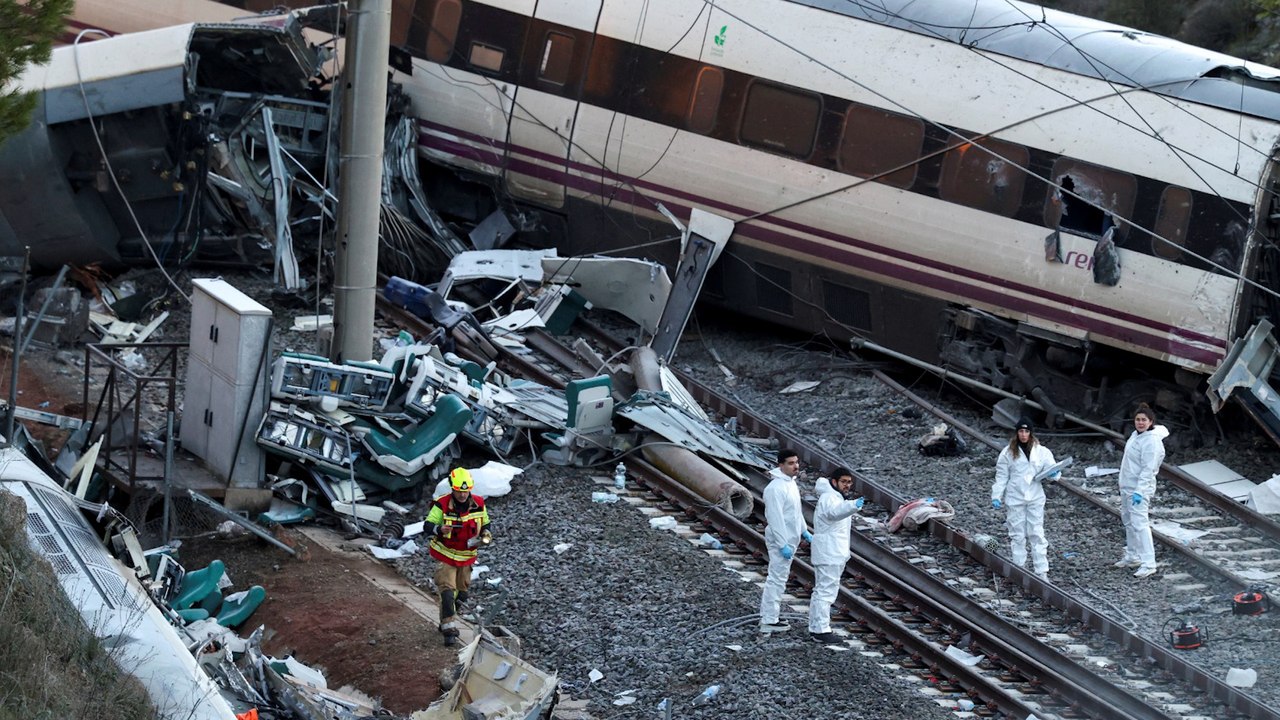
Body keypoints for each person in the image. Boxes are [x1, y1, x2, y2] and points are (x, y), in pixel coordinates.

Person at [426, 467, 492, 645]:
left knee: (461, 595)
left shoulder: (478, 503)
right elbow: (428, 525)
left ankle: (446, 618)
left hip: (466, 557)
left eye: (465, 491)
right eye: (459, 491)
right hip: (446, 555)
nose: (463, 495)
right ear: (452, 488)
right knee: (447, 592)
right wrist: (439, 529)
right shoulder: (442, 504)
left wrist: (486, 534)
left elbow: (486, 523)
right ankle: (449, 630)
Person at [991, 419, 1058, 577]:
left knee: (1036, 533)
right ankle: (1019, 568)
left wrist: (1055, 474)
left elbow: (1053, 469)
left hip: (1035, 496)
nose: (1023, 434)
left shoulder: (1042, 452)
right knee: (1017, 534)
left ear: (1031, 433)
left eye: (1026, 431)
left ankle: (1041, 571)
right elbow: (1001, 476)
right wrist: (996, 495)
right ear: (1016, 433)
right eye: (1021, 431)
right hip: (1015, 497)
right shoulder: (1008, 453)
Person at [808, 467, 864, 643]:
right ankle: (820, 630)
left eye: (849, 482)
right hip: (829, 552)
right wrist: (853, 505)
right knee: (825, 591)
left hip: (832, 552)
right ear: (834, 482)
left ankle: (818, 628)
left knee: (825, 590)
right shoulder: (829, 498)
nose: (847, 485)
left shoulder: (835, 497)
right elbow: (834, 514)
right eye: (844, 482)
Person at [759, 448, 809, 634]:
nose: (796, 466)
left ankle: (771, 616)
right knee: (777, 579)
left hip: (790, 538)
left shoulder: (790, 484)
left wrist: (804, 531)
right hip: (782, 540)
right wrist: (782, 544)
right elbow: (775, 518)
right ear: (780, 465)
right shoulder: (775, 488)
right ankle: (769, 619)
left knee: (780, 578)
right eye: (791, 463)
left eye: (796, 462)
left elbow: (795, 511)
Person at [1115, 403, 1168, 578]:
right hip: (1127, 487)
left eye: (1144, 420)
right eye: (1138, 419)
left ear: (1151, 421)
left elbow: (1149, 469)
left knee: (1140, 525)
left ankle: (1149, 563)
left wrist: (1140, 491)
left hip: (1138, 490)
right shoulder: (1135, 436)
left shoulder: (1151, 442)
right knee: (1129, 522)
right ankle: (1133, 555)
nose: (1140, 423)